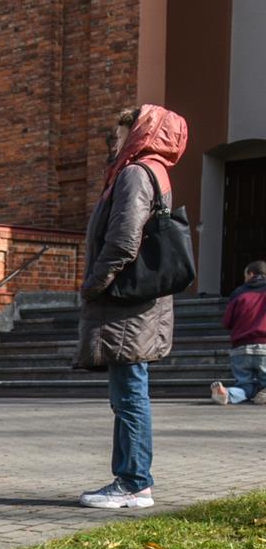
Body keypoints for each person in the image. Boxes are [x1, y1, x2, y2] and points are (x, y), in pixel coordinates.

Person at [74, 104, 189, 510]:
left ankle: (134, 483)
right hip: (138, 306)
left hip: (126, 306)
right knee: (128, 393)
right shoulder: (153, 171)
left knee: (129, 396)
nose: (115, 140)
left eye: (121, 132)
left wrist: (93, 283)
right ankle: (131, 480)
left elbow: (123, 241)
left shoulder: (136, 173)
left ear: (141, 132)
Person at [210, 261, 266, 405]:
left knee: (244, 386)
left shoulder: (238, 293)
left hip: (240, 348)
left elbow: (227, 322)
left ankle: (227, 393)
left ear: (251, 274)